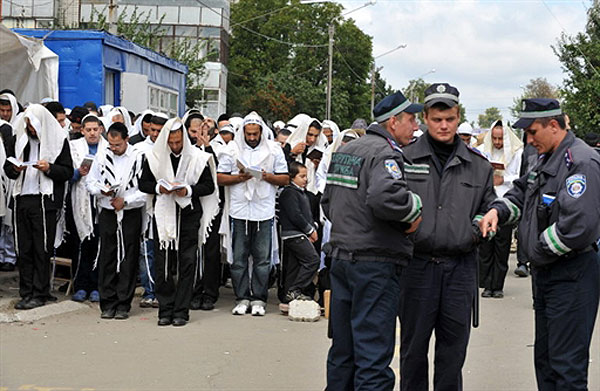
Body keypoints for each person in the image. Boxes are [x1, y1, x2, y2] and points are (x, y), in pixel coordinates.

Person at [479, 98, 600, 391]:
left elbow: (577, 228)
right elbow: (521, 193)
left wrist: (535, 250)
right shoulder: (543, 157)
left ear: (554, 126)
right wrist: (497, 210)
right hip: (548, 273)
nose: (529, 140)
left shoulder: (580, 161)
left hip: (572, 274)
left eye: (533, 132)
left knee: (566, 367)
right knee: (545, 361)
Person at [398, 83, 496, 391]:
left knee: (453, 354)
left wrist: (475, 228)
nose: (444, 125)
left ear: (458, 117)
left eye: (450, 119)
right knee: (413, 352)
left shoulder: (478, 165)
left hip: (460, 269)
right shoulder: (404, 159)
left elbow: (488, 205)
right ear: (425, 117)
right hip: (416, 267)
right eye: (437, 118)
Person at [322, 91, 423, 390]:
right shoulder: (386, 154)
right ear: (393, 122)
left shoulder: (347, 150)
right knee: (372, 356)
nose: (416, 127)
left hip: (341, 258)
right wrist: (413, 211)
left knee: (343, 351)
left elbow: (328, 203)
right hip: (375, 263)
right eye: (412, 119)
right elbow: (384, 198)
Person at [139, 118, 218, 326]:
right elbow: (143, 183)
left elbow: (209, 186)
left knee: (187, 263)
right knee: (163, 263)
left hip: (188, 215)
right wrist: (160, 188)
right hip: (164, 215)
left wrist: (188, 190)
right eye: (171, 143)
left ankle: (182, 310)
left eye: (178, 142)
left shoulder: (198, 158)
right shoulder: (154, 157)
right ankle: (165, 309)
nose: (174, 146)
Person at [217, 112, 289, 316]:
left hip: (263, 210)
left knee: (262, 258)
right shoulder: (232, 149)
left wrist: (266, 176)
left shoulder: (273, 150)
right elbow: (220, 178)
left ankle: (259, 298)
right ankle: (242, 298)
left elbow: (285, 179)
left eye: (254, 134)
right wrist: (239, 178)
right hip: (239, 210)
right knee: (239, 257)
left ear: (261, 132)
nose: (251, 138)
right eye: (248, 134)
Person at [4, 104, 74, 310]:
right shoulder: (19, 139)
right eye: (27, 124)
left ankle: (40, 292)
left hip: (44, 200)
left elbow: (67, 171)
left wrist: (49, 168)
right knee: (23, 248)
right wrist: (15, 168)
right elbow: (8, 169)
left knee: (41, 248)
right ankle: (27, 292)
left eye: (33, 125)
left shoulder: (58, 140)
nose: (30, 129)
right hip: (21, 198)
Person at [85, 122, 146, 320]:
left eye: (117, 145)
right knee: (107, 256)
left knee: (128, 257)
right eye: (111, 144)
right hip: (108, 210)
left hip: (129, 212)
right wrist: (102, 190)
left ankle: (123, 304)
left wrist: (126, 201)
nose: (114, 148)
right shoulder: (102, 155)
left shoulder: (138, 157)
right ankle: (107, 302)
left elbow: (145, 190)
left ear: (126, 139)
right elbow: (90, 182)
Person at [478, 120, 523, 298]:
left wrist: (502, 179)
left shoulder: (517, 153)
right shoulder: (483, 151)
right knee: (486, 246)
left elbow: (520, 177)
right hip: (487, 203)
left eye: (500, 139)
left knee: (502, 246)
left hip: (506, 204)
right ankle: (486, 284)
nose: (497, 143)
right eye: (494, 139)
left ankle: (498, 285)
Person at [69, 114, 108, 302]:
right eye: (88, 130)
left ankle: (96, 286)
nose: (92, 133)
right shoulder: (73, 147)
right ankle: (81, 285)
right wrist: (77, 173)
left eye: (95, 129)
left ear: (101, 129)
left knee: (99, 244)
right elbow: (66, 173)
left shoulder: (108, 147)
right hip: (81, 201)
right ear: (82, 130)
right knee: (81, 244)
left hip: (101, 201)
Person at [278, 161, 320, 302]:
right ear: (292, 177)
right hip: (294, 234)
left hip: (301, 233)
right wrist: (309, 231)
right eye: (302, 176)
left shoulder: (301, 193)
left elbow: (308, 214)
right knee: (312, 260)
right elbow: (295, 215)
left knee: (295, 266)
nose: (305, 179)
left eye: (306, 176)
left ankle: (288, 296)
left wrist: (313, 227)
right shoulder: (289, 192)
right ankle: (295, 289)